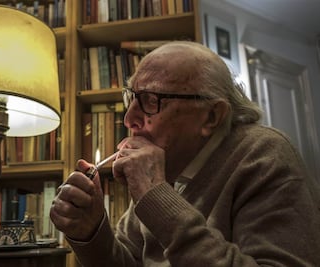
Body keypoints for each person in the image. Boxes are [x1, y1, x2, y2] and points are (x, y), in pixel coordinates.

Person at [50, 41, 320, 266]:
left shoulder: (264, 156)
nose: (129, 119)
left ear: (211, 116)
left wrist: (156, 196)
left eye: (151, 100)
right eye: (130, 97)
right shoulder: (165, 162)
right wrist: (91, 230)